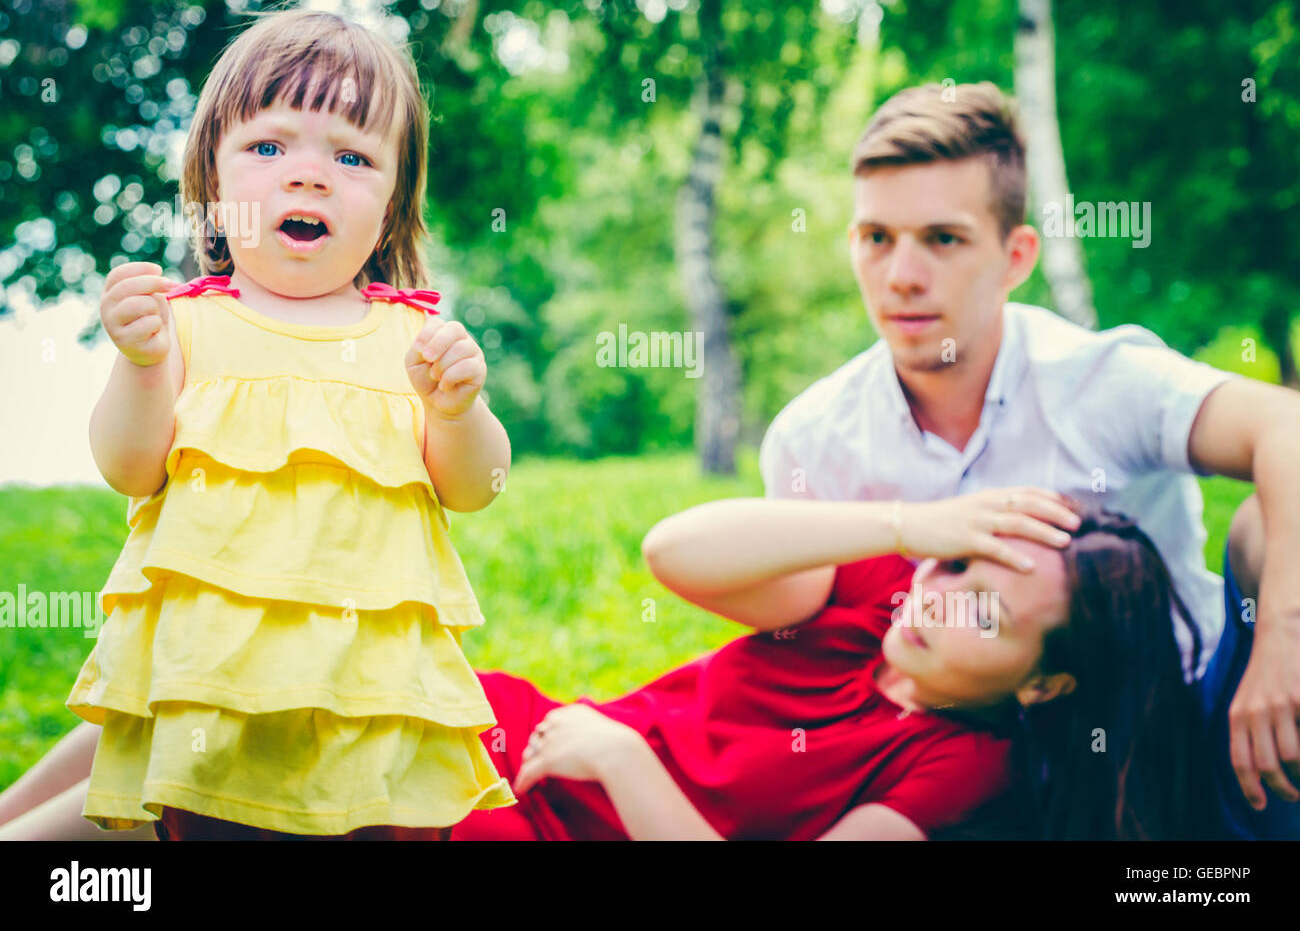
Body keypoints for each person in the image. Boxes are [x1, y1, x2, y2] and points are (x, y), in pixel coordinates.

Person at [0, 491, 1216, 840]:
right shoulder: (868, 598)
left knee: (219, 775)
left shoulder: (960, 766)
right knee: (197, 684)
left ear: (1046, 684)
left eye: (986, 619)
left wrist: (628, 762)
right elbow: (674, 549)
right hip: (516, 740)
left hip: (544, 825)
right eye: (955, 576)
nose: (938, 610)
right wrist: (912, 530)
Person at [757, 81, 1300, 839]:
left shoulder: (1101, 380)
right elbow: (803, 648)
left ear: (1016, 257)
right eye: (875, 237)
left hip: (1190, 719)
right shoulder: (814, 440)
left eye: (943, 238)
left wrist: (1284, 637)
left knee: (1263, 533)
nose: (901, 276)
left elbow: (1287, 426)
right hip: (971, 761)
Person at [55, 4, 515, 840]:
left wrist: (460, 409)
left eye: (352, 155)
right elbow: (129, 467)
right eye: (269, 147)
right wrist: (142, 362)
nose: (308, 176)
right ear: (212, 179)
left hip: (378, 701)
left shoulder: (413, 335)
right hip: (216, 697)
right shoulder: (187, 325)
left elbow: (475, 487)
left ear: (390, 203)